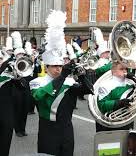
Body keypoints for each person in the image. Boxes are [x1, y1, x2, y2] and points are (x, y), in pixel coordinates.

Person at [29, 10, 93, 156]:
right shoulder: (36, 82)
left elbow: (90, 90)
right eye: (55, 66)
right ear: (47, 66)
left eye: (60, 66)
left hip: (67, 130)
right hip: (48, 130)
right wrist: (63, 76)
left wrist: (82, 75)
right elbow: (39, 97)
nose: (58, 69)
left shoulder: (69, 81)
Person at [95, 61, 135, 132]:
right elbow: (101, 105)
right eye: (121, 69)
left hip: (127, 119)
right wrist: (118, 103)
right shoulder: (106, 85)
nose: (125, 71)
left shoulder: (131, 82)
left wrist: (135, 78)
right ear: (113, 71)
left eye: (125, 69)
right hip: (111, 122)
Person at [0, 51, 15, 156]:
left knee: (5, 141)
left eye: (1, 59)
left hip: (6, 113)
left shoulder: (8, 73)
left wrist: (17, 76)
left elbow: (22, 86)